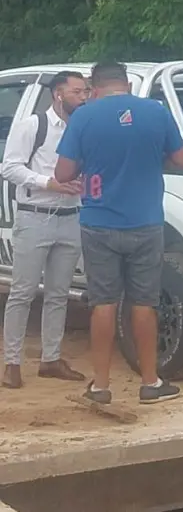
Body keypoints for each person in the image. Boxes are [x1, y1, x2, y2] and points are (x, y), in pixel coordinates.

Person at [54, 61, 183, 405]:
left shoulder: (85, 116)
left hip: (99, 223)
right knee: (144, 304)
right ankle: (150, 382)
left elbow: (63, 171)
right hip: (146, 222)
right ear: (127, 84)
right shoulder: (155, 112)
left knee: (103, 304)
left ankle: (101, 386)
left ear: (94, 87)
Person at [0, 71, 90, 389]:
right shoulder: (33, 126)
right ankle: (12, 363)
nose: (84, 96)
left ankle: (51, 358)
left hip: (70, 216)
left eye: (86, 91)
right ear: (58, 95)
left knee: (59, 294)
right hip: (35, 215)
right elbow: (9, 167)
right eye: (77, 91)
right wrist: (48, 183)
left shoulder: (82, 128)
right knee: (23, 292)